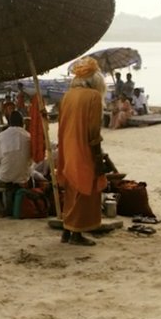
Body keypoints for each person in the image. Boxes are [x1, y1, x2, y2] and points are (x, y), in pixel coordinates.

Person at [57, 57, 108, 246]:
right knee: (85, 187)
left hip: (68, 146)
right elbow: (93, 132)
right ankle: (76, 234)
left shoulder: (67, 96)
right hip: (84, 148)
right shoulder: (93, 97)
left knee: (72, 187)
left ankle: (66, 230)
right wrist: (98, 156)